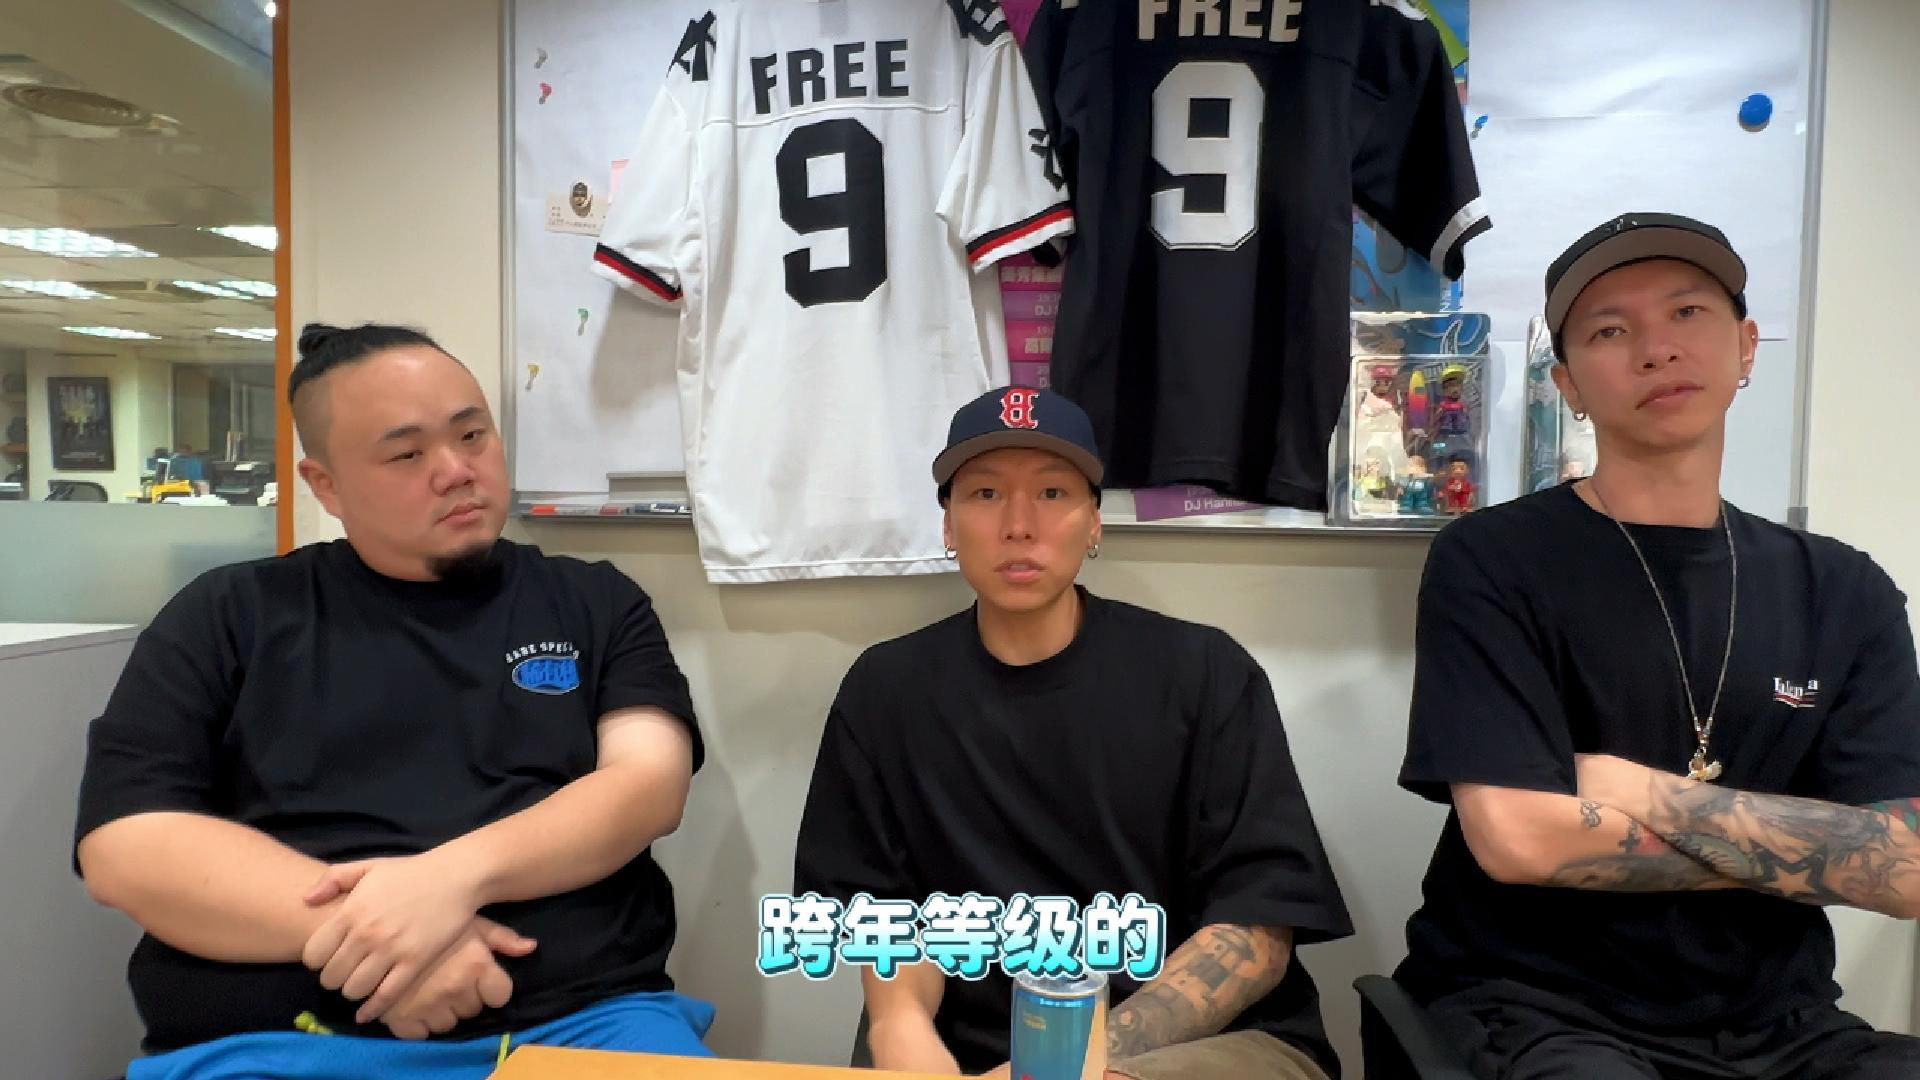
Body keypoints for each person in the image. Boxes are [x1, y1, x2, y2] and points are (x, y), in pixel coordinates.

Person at [74, 323, 712, 1079]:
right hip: (280, 1039)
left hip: (580, 1021)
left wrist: (449, 881)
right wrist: (391, 933)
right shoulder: (228, 614)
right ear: (325, 485)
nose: (456, 470)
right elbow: (127, 844)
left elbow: (647, 785)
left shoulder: (593, 602)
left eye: (472, 435)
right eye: (407, 454)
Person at [1395, 213, 1920, 1079]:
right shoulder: (1491, 559)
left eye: (1687, 312)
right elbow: (1519, 841)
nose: (1657, 349)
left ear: (1746, 346)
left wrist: (1637, 791)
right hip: (1537, 1009)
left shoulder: (1844, 591)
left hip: (1784, 1024)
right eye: (1610, 330)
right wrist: (1803, 853)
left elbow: (1901, 870)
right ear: (1568, 384)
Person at [793, 387, 1351, 1080]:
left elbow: (1258, 930)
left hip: (1203, 1044)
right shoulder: (886, 690)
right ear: (948, 524)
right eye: (986, 494)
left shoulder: (1204, 673)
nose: (1018, 525)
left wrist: (1061, 1062)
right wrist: (899, 1025)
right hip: (976, 1050)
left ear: (1094, 523)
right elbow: (883, 914)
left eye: (1053, 493)